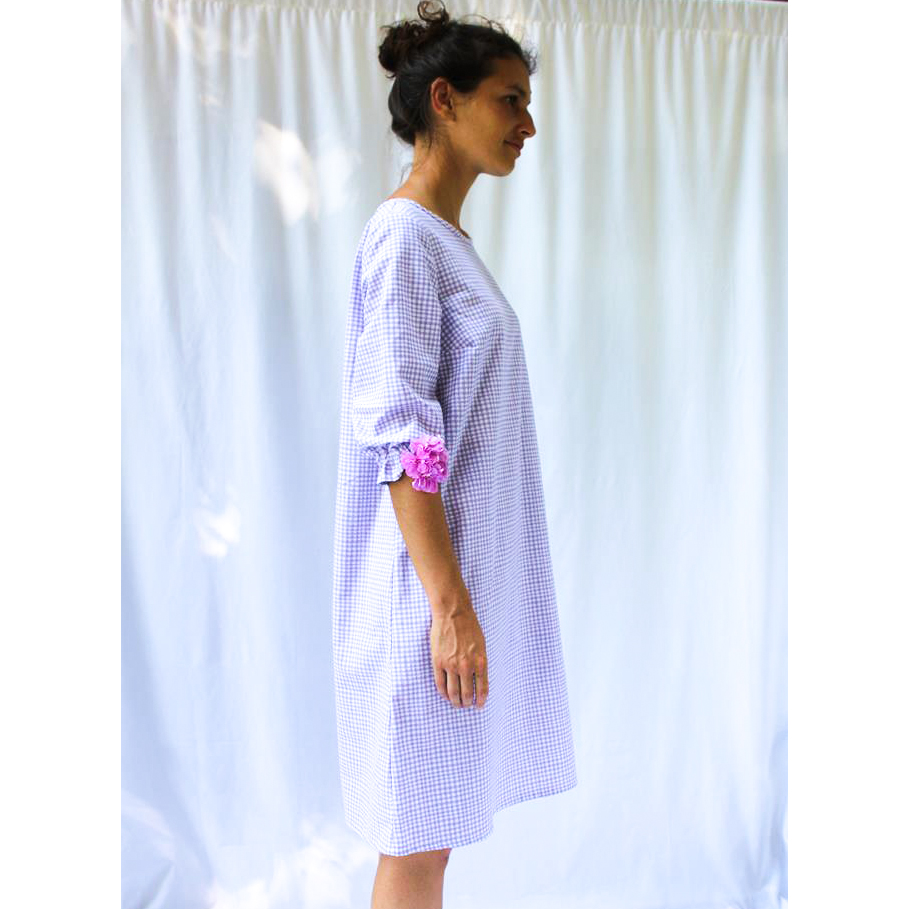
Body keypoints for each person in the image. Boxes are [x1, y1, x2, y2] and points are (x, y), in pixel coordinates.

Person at [331, 3, 578, 906]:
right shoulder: (405, 240)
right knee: (416, 843)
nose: (527, 124)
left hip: (446, 587)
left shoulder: (442, 242)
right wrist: (449, 606)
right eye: (509, 100)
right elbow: (405, 440)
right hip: (421, 594)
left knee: (431, 838)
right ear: (444, 99)